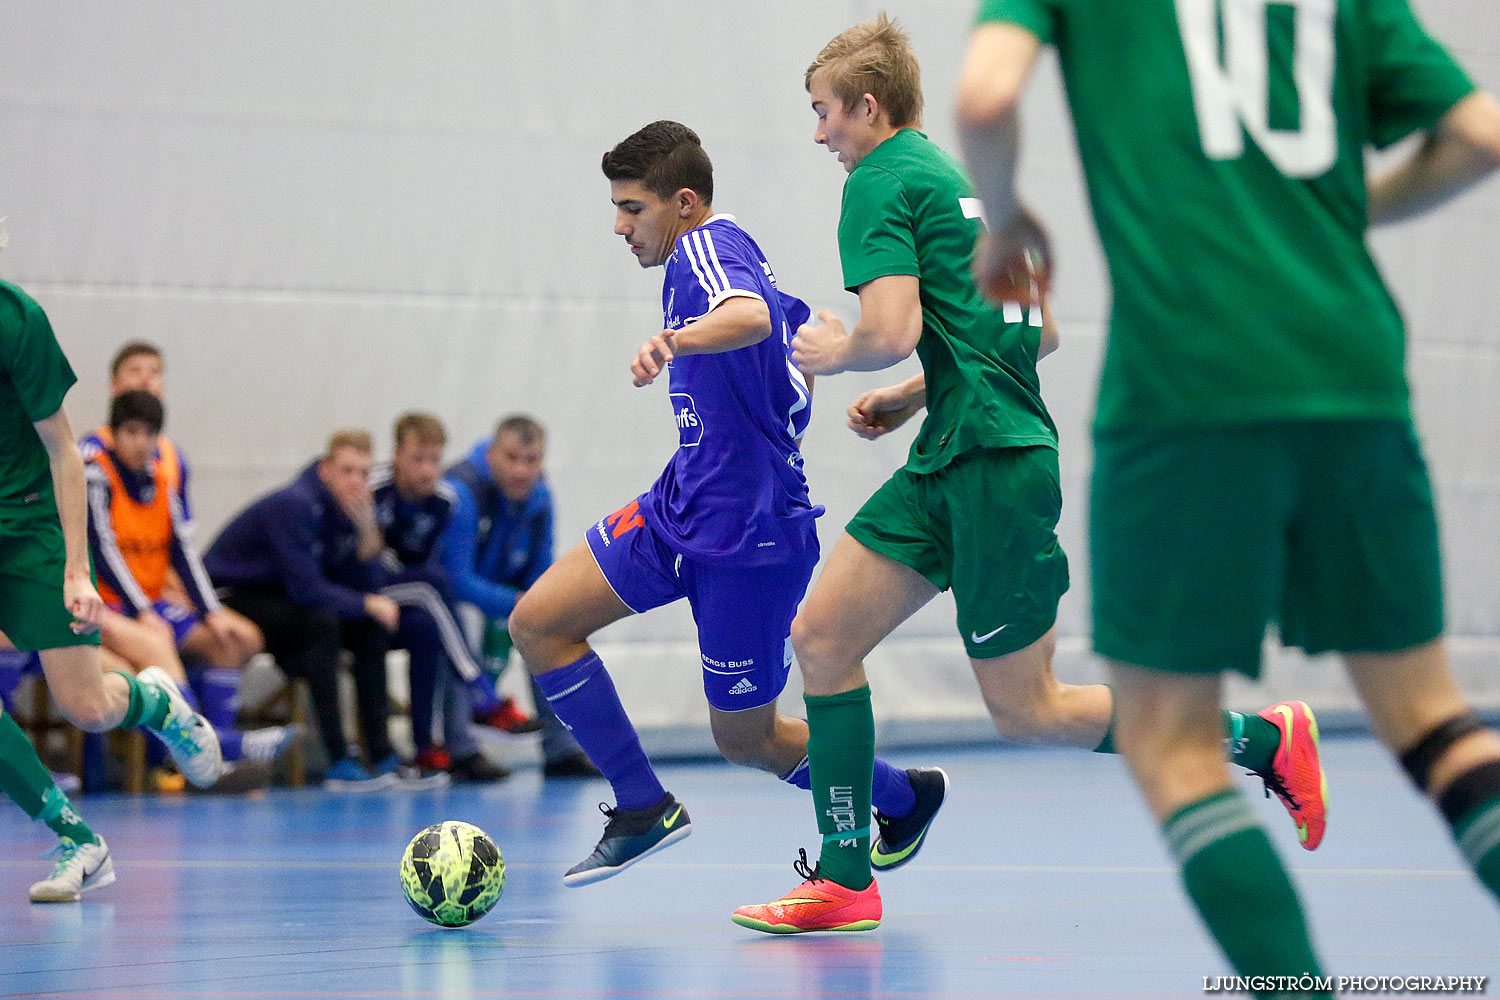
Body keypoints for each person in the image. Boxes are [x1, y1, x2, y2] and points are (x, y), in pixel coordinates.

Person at [733, 14, 1323, 935]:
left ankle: (1258, 738)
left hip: (994, 467)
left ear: (868, 107)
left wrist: (835, 352)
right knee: (822, 638)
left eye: (824, 114)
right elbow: (1033, 333)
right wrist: (910, 395)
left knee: (1031, 710)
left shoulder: (879, 182)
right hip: (957, 452)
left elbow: (885, 325)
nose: (819, 136)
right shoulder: (966, 184)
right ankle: (846, 879)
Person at [953, 0, 1500, 989]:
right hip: (1354, 369)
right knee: (1431, 719)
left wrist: (1009, 217)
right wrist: (1343, 207)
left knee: (1169, 741)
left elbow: (985, 96)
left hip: (1186, 384)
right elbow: (1481, 135)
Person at [506, 120, 940, 888]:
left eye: (631, 208)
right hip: (680, 508)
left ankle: (904, 797)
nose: (619, 226)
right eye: (615, 207)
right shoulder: (719, 259)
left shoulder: (708, 249)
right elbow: (791, 334)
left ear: (682, 203)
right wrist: (823, 346)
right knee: (539, 623)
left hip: (749, 542)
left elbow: (751, 316)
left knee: (748, 739)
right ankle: (642, 807)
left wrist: (675, 341)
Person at [0, 247, 222, 902]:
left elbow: (65, 451)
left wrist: (75, 568)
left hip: (32, 524)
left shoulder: (17, 320)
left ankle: (158, 702)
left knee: (88, 706)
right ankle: (78, 840)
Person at [82, 390, 299, 781]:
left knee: (232, 639)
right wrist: (145, 612)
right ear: (113, 435)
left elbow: (183, 551)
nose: (139, 442)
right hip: (107, 604)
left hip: (146, 601)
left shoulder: (163, 481)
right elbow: (103, 549)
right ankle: (217, 746)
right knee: (156, 643)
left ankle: (213, 760)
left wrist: (211, 612)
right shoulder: (96, 475)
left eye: (149, 433)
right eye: (130, 432)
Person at [205, 430, 406, 790]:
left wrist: (368, 538)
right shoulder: (294, 504)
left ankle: (382, 751)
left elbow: (363, 586)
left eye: (364, 473)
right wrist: (365, 603)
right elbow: (308, 589)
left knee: (369, 628)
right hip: (232, 596)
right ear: (325, 469)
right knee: (323, 623)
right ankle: (338, 758)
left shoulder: (350, 512)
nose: (356, 482)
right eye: (347, 470)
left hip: (282, 599)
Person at [440, 416, 595, 776]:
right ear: (492, 455)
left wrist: (542, 607)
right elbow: (457, 580)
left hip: (503, 594)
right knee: (468, 618)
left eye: (531, 461)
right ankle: (461, 749)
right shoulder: (462, 492)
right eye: (512, 458)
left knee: (555, 623)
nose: (522, 471)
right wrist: (518, 604)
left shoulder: (540, 496)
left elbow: (543, 571)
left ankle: (561, 750)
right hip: (457, 600)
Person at [372, 412, 508, 783]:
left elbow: (419, 560)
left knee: (428, 624)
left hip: (407, 593)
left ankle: (424, 747)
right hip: (365, 589)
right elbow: (369, 559)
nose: (428, 470)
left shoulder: (444, 501)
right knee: (433, 587)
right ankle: (480, 688)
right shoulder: (374, 489)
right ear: (396, 455)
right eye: (418, 459)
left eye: (434, 460)